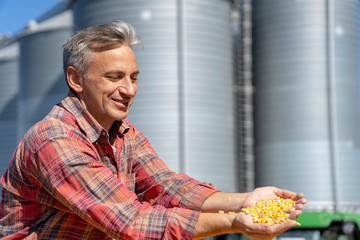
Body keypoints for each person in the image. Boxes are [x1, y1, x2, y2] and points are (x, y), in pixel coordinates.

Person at [0, 20, 306, 239]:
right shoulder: (55, 140)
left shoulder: (123, 132)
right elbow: (131, 221)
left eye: (134, 77)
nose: (129, 89)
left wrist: (243, 201)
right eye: (115, 77)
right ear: (76, 79)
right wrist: (235, 223)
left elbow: (165, 186)